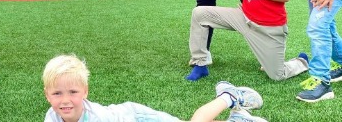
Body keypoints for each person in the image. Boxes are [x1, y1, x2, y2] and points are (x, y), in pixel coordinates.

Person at [43, 54, 267, 122]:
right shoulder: (52, 116)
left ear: (85, 92)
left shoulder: (98, 117)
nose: (65, 100)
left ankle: (229, 96)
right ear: (47, 95)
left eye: (73, 92)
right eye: (57, 93)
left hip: (137, 117)